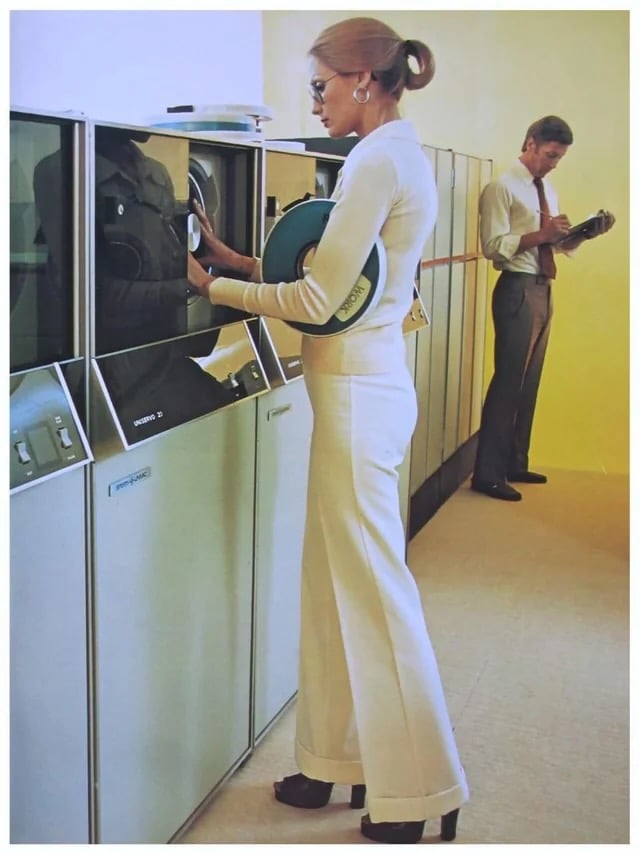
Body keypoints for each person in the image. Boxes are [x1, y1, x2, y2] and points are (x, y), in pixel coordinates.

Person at [187, 16, 469, 844]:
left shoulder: (377, 160)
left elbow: (317, 302)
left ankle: (424, 790)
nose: (314, 102)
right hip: (359, 387)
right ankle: (335, 760)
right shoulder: (394, 154)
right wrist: (242, 259)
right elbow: (344, 274)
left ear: (362, 82)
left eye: (319, 87)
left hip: (357, 397)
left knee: (376, 595)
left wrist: (218, 290)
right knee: (329, 584)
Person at [471, 115, 615, 502]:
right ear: (531, 143)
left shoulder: (547, 189)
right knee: (508, 380)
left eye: (559, 158)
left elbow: (552, 246)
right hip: (517, 288)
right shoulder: (501, 187)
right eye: (550, 155)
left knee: (528, 381)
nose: (554, 163)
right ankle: (488, 473)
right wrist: (544, 234)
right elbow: (493, 245)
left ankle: (515, 461)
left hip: (543, 287)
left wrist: (584, 234)